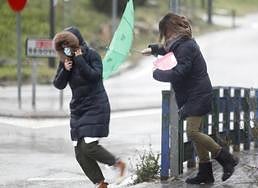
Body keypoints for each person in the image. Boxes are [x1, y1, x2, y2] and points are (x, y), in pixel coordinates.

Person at [142, 13, 239, 184]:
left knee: (192, 132)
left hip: (197, 94)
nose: (164, 36)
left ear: (171, 30)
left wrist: (158, 74)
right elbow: (168, 50)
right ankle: (205, 173)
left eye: (165, 32)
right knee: (196, 134)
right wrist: (153, 49)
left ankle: (226, 158)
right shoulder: (179, 43)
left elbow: (180, 72)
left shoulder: (185, 46)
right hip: (193, 94)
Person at [53, 26, 125, 188]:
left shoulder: (92, 55)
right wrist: (65, 69)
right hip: (78, 108)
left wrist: (79, 60)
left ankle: (117, 163)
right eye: (63, 47)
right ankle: (100, 183)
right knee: (79, 151)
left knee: (89, 146)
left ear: (75, 42)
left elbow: (95, 76)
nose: (67, 49)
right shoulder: (66, 60)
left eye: (68, 45)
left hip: (96, 104)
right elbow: (58, 84)